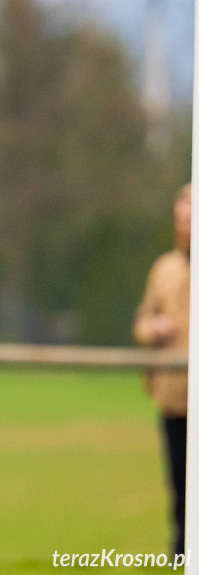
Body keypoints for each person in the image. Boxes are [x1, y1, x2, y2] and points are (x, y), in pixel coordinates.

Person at [133, 182, 191, 558]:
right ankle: (182, 549)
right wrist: (152, 329)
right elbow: (142, 320)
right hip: (174, 397)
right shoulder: (165, 269)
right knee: (179, 482)